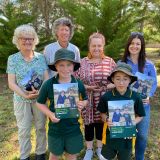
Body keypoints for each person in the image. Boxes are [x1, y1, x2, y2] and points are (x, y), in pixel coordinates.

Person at [36, 48, 88, 160]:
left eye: (69, 65)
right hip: (55, 130)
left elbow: (86, 99)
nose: (65, 69)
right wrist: (50, 114)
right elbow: (39, 103)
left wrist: (82, 104)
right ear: (55, 66)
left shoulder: (78, 83)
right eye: (61, 65)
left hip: (73, 128)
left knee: (71, 155)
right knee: (54, 155)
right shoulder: (48, 84)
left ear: (73, 65)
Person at [6, 24, 49, 160]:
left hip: (39, 100)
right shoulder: (13, 59)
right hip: (21, 100)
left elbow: (46, 79)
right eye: (23, 38)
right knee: (24, 129)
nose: (27, 41)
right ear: (17, 40)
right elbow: (11, 83)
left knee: (41, 127)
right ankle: (24, 155)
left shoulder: (41, 58)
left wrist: (40, 93)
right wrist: (24, 94)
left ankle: (40, 153)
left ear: (34, 40)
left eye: (30, 38)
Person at [74, 32, 116, 160]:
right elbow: (75, 81)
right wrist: (87, 87)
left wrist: (104, 87)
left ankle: (99, 149)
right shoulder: (82, 62)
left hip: (104, 99)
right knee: (88, 125)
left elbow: (117, 81)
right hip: (87, 99)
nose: (96, 48)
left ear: (103, 46)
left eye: (99, 45)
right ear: (89, 46)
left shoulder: (110, 62)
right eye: (93, 46)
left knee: (100, 124)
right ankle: (89, 150)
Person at [97, 62, 145, 160]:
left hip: (127, 138)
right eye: (118, 79)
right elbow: (102, 113)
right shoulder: (106, 96)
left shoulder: (136, 97)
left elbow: (141, 115)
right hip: (110, 136)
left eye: (125, 79)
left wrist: (133, 122)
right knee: (104, 158)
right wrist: (106, 119)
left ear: (130, 80)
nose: (121, 82)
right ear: (113, 80)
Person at [121, 32, 157, 160]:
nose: (134, 46)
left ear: (142, 46)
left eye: (138, 44)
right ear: (128, 45)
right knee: (127, 134)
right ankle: (125, 156)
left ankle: (139, 157)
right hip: (126, 105)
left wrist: (149, 96)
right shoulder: (122, 62)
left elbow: (153, 84)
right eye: (132, 43)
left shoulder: (148, 65)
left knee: (142, 135)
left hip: (143, 105)